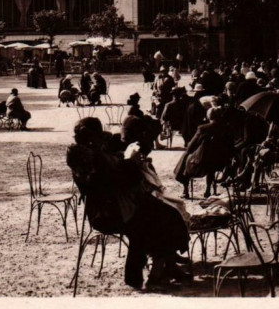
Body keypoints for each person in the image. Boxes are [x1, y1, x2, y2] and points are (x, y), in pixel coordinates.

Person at [67, 117, 190, 290]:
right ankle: (151, 273)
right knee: (154, 219)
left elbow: (114, 174)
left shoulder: (88, 154)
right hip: (108, 213)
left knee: (164, 212)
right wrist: (131, 163)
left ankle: (165, 264)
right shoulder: (92, 159)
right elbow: (117, 182)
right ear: (93, 138)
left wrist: (124, 161)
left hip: (109, 208)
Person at [174, 107, 232, 199]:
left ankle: (185, 190)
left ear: (209, 117)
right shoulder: (226, 128)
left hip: (202, 161)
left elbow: (191, 145)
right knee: (210, 165)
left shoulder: (203, 128)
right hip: (220, 161)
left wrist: (189, 150)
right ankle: (208, 189)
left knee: (185, 158)